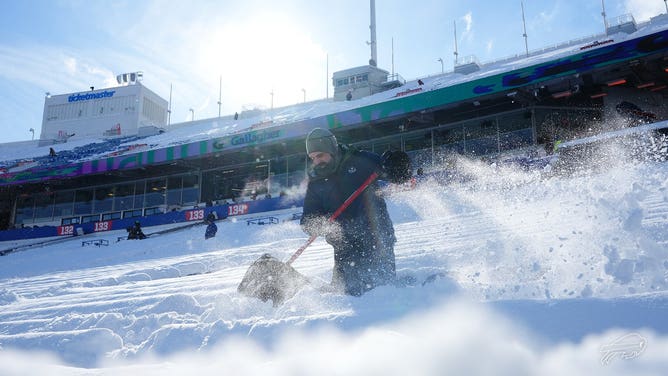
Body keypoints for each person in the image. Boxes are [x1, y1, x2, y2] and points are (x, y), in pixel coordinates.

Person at [300, 128, 411, 296]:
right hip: (345, 247)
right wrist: (316, 224)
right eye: (312, 157)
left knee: (382, 292)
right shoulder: (316, 182)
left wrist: (398, 165)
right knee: (345, 295)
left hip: (376, 240)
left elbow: (396, 174)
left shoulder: (360, 160)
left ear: (332, 149)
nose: (317, 161)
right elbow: (308, 217)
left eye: (320, 155)